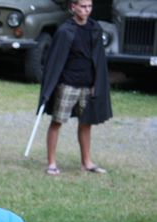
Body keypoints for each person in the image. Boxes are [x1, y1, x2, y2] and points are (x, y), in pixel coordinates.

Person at [39, 0, 111, 176]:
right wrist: (51, 87)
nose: (87, 10)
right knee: (57, 122)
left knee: (86, 123)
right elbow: (54, 60)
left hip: (87, 85)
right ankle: (51, 163)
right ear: (73, 7)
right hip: (68, 85)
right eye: (83, 6)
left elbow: (98, 59)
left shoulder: (95, 29)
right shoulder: (65, 31)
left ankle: (87, 162)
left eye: (89, 6)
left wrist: (96, 83)